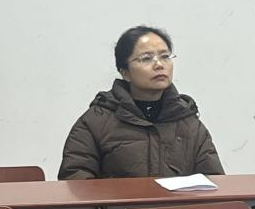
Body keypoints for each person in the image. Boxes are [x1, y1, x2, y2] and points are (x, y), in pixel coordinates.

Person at [59, 25, 223, 179]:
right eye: (146, 58)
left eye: (165, 56)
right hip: (119, 202)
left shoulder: (189, 124)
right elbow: (76, 181)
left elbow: (214, 183)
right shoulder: (96, 122)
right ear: (125, 72)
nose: (159, 65)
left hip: (178, 202)